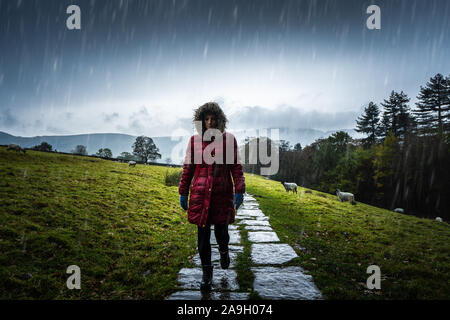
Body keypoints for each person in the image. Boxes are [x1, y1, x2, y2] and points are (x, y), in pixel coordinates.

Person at [178, 102, 245, 290]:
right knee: (202, 236)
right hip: (200, 195)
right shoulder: (194, 141)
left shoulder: (229, 140)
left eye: (213, 118)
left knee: (221, 233)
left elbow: (236, 167)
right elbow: (188, 168)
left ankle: (224, 251)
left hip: (222, 195)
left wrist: (239, 188)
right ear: (201, 121)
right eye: (206, 119)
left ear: (219, 120)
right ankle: (207, 273)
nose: (210, 122)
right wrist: (183, 191)